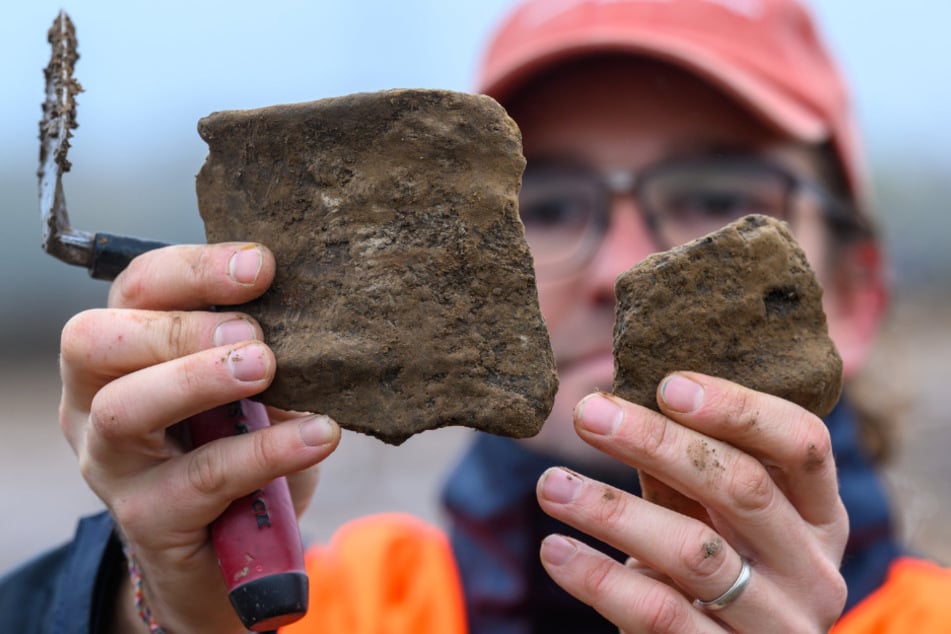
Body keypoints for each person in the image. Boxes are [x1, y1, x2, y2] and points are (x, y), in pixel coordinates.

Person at [2, 0, 950, 632]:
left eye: (715, 202)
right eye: (539, 205)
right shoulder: (338, 609)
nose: (621, 270)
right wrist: (145, 600)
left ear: (856, 295)